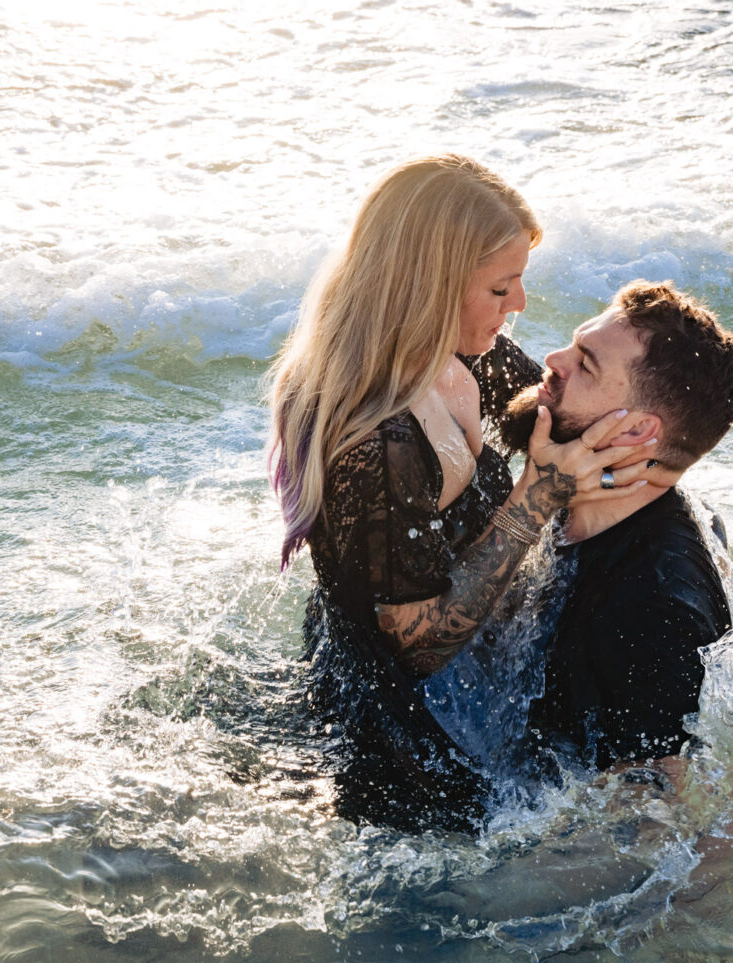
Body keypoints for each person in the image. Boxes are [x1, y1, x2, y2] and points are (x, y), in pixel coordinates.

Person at [267, 155, 652, 831]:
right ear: (433, 288)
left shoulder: (464, 347)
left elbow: (552, 416)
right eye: (502, 289)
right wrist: (537, 494)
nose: (520, 308)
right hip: (408, 734)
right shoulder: (379, 444)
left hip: (450, 664)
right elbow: (418, 642)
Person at [497, 279, 733, 782]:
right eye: (575, 342)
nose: (552, 358)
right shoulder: (586, 500)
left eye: (585, 364)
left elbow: (671, 811)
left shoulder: (650, 611)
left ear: (636, 432)